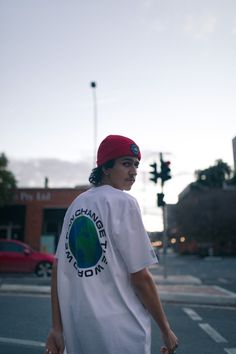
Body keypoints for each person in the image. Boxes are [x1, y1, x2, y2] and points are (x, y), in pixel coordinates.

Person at [44, 134, 178, 354]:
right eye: (126, 164)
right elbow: (141, 277)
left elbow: (58, 270)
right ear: (106, 167)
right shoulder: (124, 203)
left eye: (136, 165)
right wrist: (165, 328)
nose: (134, 171)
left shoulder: (76, 205)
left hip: (79, 332)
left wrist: (57, 329)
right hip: (121, 331)